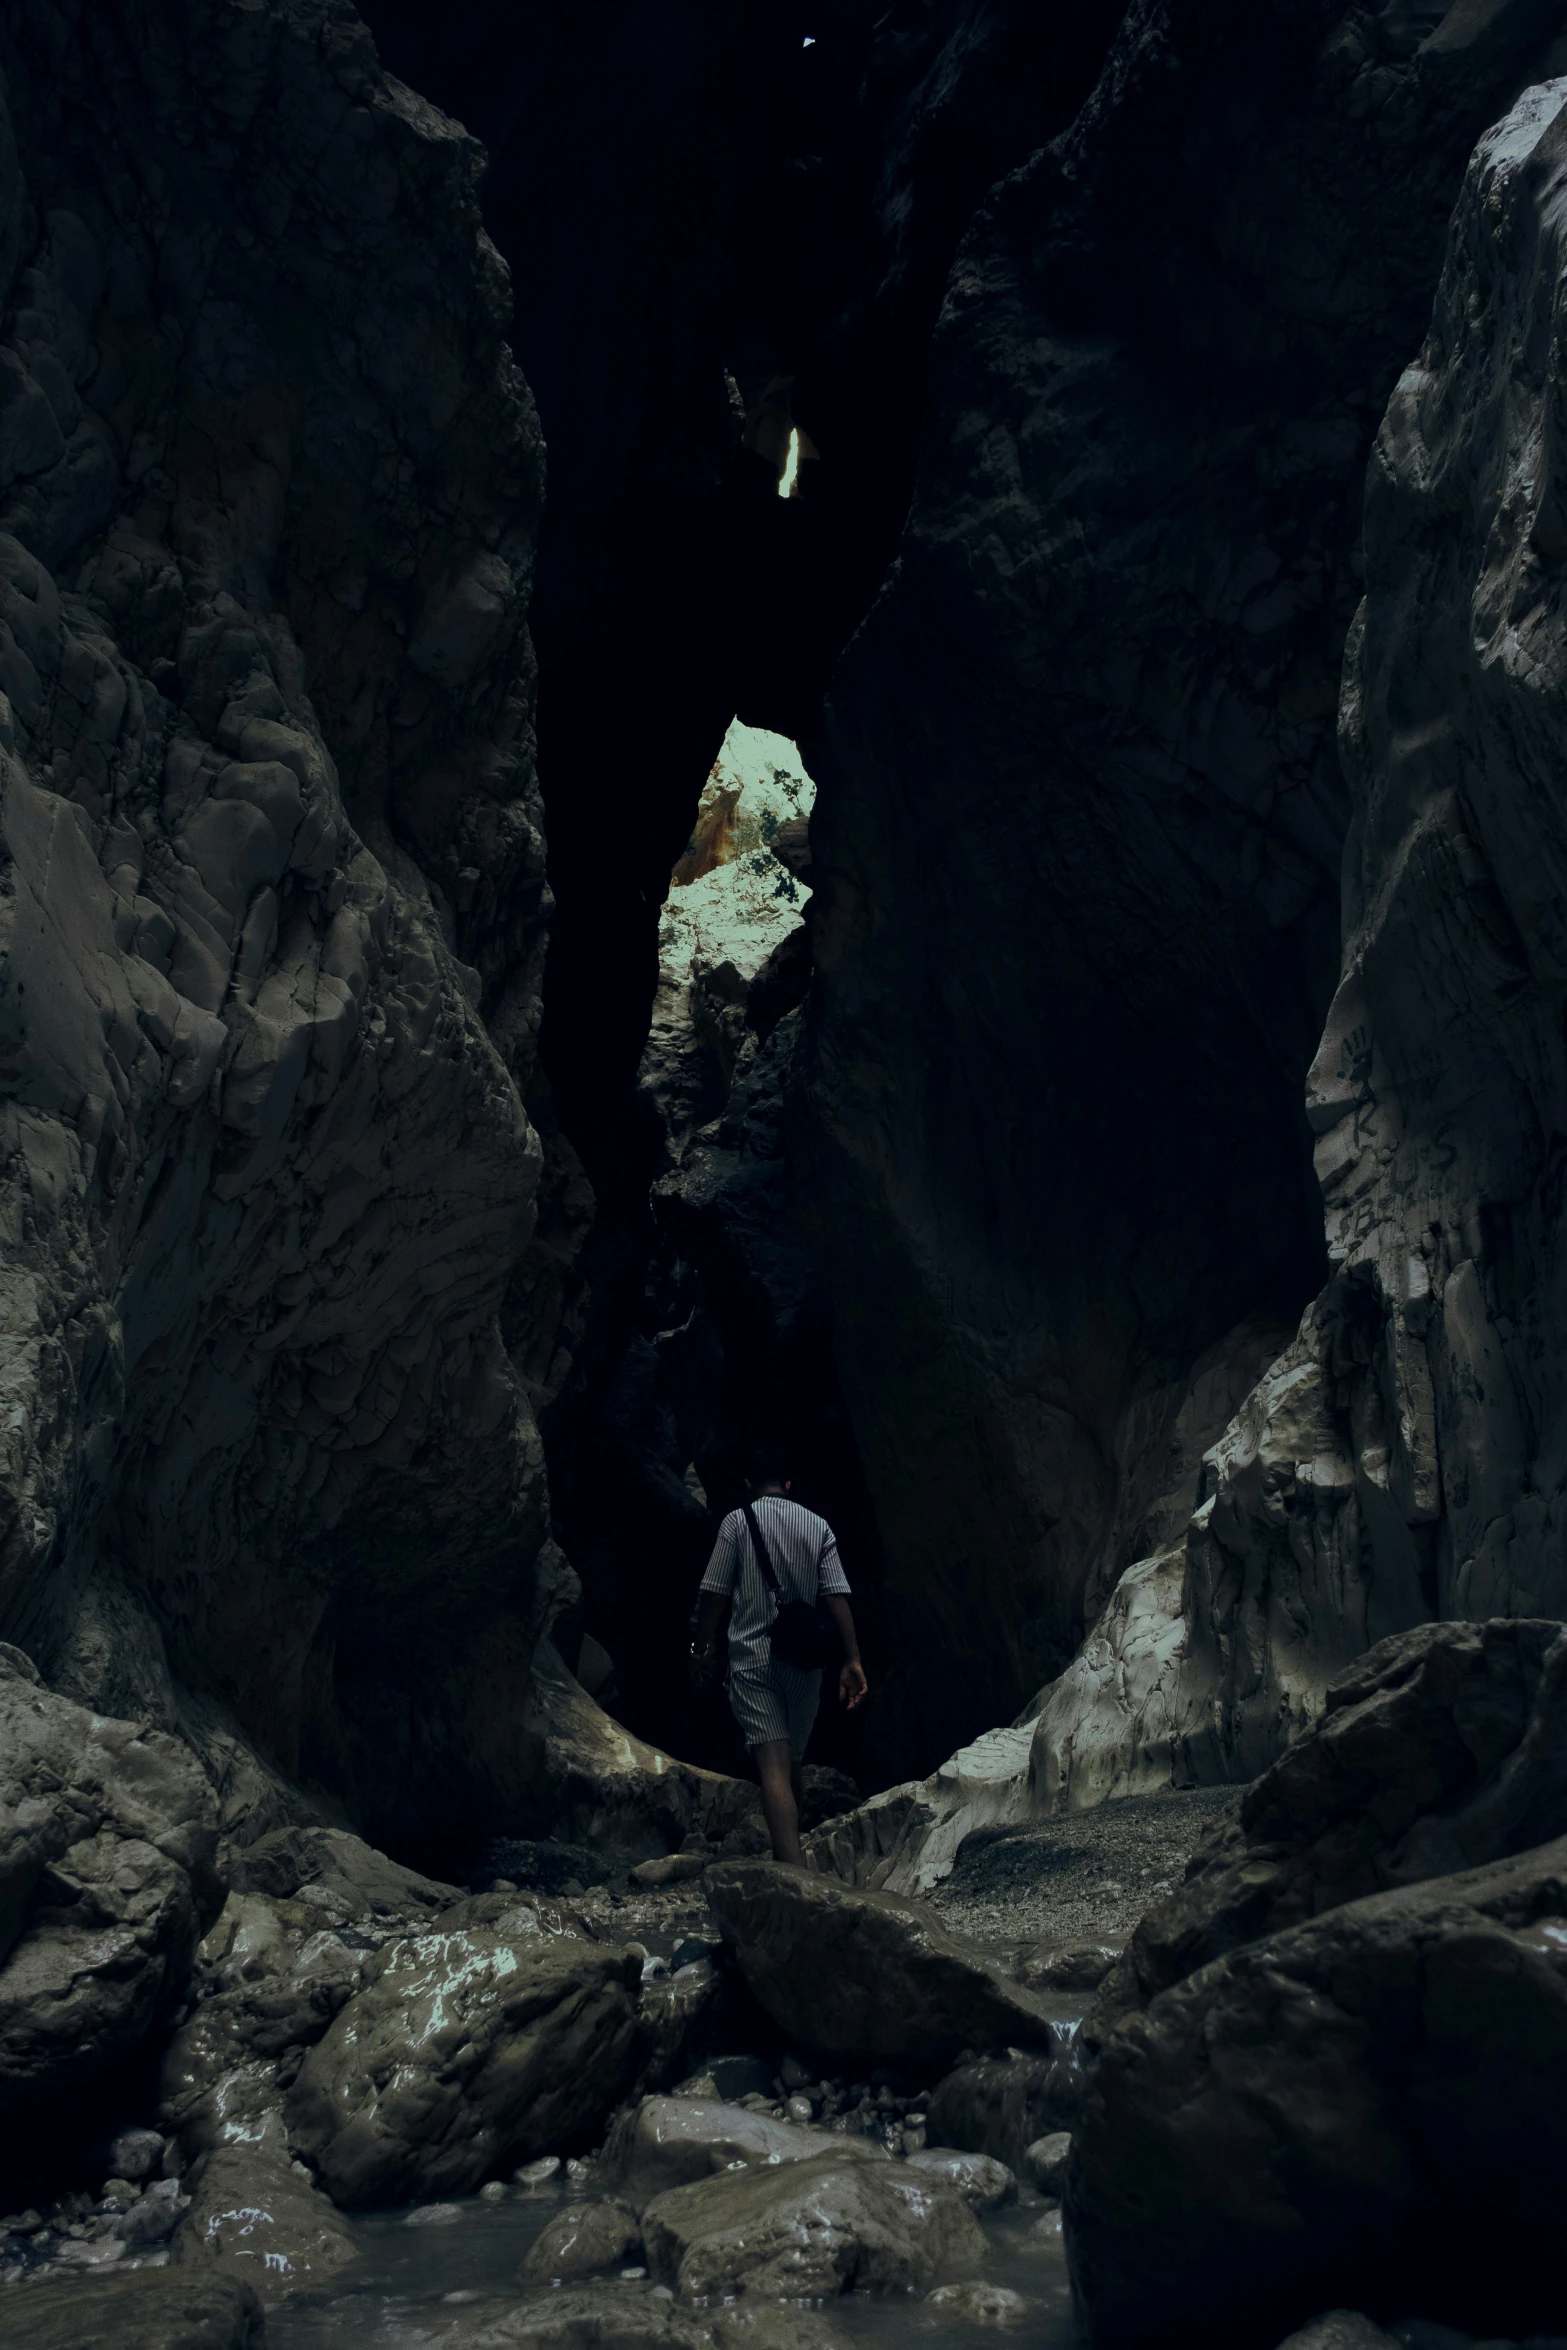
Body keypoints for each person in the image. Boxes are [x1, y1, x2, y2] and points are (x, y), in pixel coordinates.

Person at [689, 1445, 867, 1866]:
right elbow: (837, 1595)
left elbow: (712, 1594)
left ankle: (796, 1876)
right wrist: (852, 1659)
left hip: (755, 1660)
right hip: (806, 1665)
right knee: (793, 1766)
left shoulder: (737, 1522)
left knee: (772, 1763)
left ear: (748, 1485)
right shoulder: (818, 1526)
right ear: (789, 1485)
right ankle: (794, 1856)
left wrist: (700, 1647)